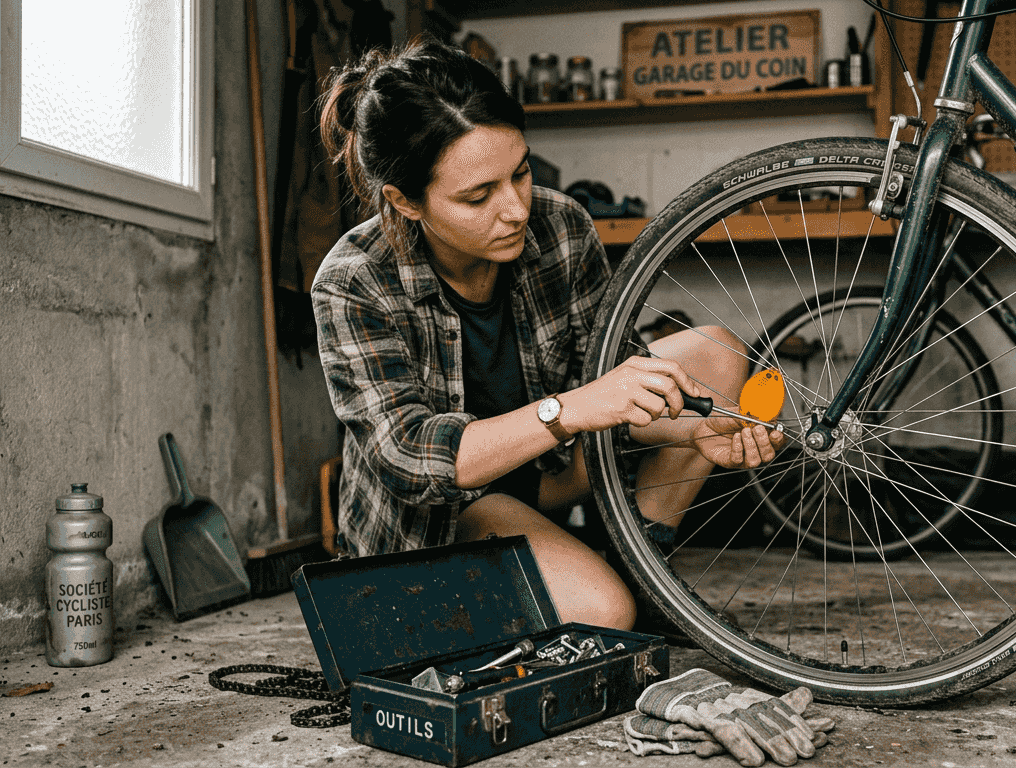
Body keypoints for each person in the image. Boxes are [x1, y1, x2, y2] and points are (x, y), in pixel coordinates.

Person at [311, 38, 782, 631]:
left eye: (522, 172)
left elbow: (619, 380)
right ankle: (530, 595)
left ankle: (648, 574)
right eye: (478, 196)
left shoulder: (562, 226)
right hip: (441, 513)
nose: (514, 209)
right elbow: (409, 458)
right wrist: (570, 408)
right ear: (405, 201)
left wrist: (699, 428)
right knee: (603, 613)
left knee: (712, 352)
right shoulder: (353, 281)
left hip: (550, 471)